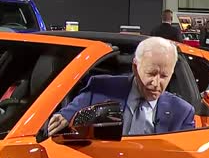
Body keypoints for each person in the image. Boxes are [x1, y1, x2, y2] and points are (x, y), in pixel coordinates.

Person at [47, 37, 195, 136]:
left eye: (164, 76)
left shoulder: (182, 112)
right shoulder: (101, 88)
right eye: (151, 74)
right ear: (135, 68)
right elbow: (72, 111)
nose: (156, 83)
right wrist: (65, 116)